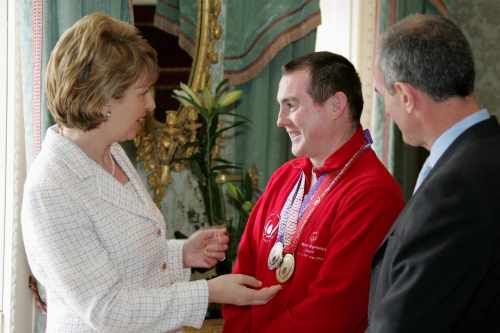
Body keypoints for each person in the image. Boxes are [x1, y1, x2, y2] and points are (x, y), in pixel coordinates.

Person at [21, 13, 281, 333]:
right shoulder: (52, 189)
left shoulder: (111, 151)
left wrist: (182, 253)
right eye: (142, 92)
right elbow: (106, 309)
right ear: (104, 99)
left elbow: (120, 258)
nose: (150, 105)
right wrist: (208, 292)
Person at [222, 51, 404, 332]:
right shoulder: (285, 176)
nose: (280, 121)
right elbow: (241, 275)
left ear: (335, 105)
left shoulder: (373, 193)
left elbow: (334, 310)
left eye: (290, 105)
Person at [368, 14, 500, 333]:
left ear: (406, 96)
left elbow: (404, 321)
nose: (385, 111)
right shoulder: (484, 156)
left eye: (381, 95)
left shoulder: (454, 187)